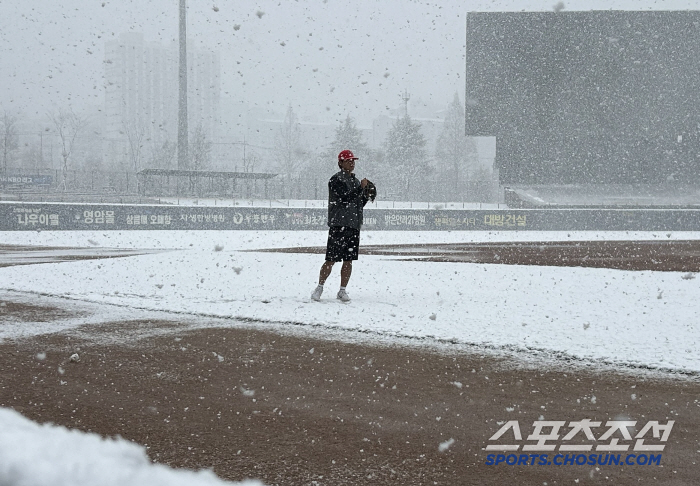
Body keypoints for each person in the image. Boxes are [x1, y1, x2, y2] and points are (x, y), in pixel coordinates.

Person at [311, 149, 372, 302]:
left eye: (353, 160)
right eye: (348, 160)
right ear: (340, 163)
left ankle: (342, 290)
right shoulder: (335, 180)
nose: (352, 163)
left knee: (348, 260)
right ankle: (319, 287)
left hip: (352, 225)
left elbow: (358, 204)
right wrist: (360, 189)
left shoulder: (356, 181)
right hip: (338, 224)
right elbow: (344, 199)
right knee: (331, 259)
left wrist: (365, 194)